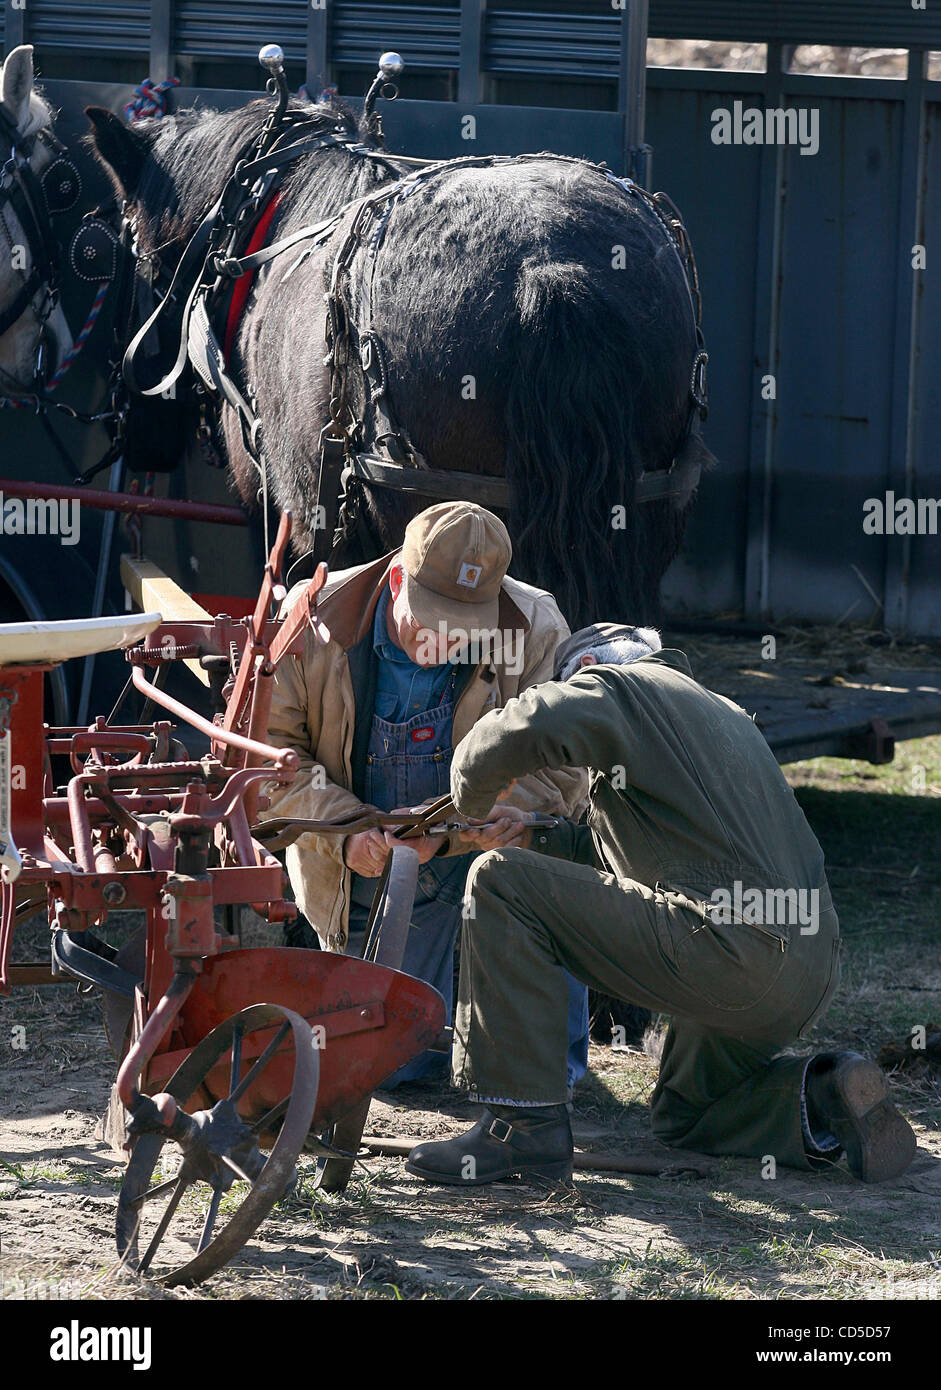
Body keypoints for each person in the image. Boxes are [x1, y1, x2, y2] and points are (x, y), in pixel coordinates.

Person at [406, 623, 917, 1185]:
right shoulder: (719, 715)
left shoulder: (627, 687)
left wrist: (469, 794)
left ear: (591, 668)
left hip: (732, 951)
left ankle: (523, 1128)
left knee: (500, 883)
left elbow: (528, 724)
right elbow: (644, 862)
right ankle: (823, 1096)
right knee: (686, 1115)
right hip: (805, 974)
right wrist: (534, 836)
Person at [263, 502, 589, 1087]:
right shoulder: (316, 620)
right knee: (394, 1070)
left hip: (482, 857)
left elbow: (567, 770)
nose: (446, 640)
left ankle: (535, 1072)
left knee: (535, 1073)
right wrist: (344, 833)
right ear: (394, 580)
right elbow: (270, 759)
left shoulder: (534, 626)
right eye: (432, 621)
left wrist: (496, 816)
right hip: (371, 866)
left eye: (466, 627)